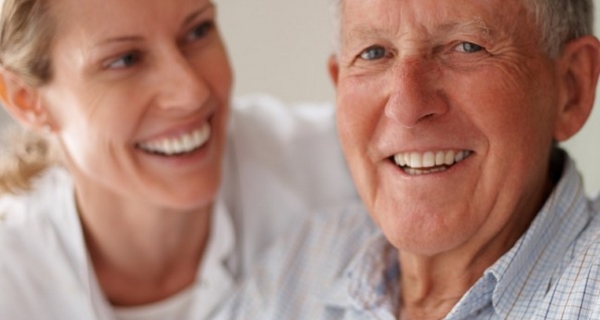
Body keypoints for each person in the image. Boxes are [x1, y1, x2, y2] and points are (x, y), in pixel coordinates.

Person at [215, 0, 600, 319]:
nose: (406, 106)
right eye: (374, 53)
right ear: (338, 86)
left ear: (571, 87)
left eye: (466, 46)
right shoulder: (301, 262)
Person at [0, 0, 357, 319]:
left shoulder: (345, 171)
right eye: (125, 60)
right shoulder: (12, 283)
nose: (191, 93)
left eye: (198, 31)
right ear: (26, 101)